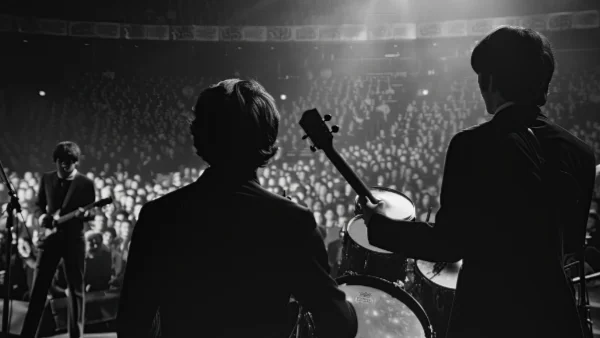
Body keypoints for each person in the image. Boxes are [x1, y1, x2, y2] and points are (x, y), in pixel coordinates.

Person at [360, 26, 596, 338]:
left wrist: (378, 226)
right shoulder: (581, 153)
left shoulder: (472, 145)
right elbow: (572, 245)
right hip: (557, 318)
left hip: (490, 317)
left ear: (490, 80)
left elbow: (448, 242)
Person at [117, 79, 358, 338]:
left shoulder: (157, 216)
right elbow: (338, 322)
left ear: (200, 135)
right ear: (268, 137)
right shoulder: (292, 221)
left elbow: (132, 324)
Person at [22, 141, 96, 338]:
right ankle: (28, 334)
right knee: (38, 290)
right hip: (50, 240)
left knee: (76, 290)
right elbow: (37, 205)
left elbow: (92, 213)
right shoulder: (46, 178)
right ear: (56, 161)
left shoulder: (86, 184)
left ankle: (76, 335)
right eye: (60, 162)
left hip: (74, 240)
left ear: (75, 162)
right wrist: (41, 217)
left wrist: (84, 216)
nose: (63, 167)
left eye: (68, 163)